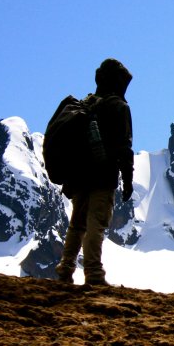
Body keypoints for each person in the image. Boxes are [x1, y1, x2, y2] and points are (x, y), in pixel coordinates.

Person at [55, 58, 134, 286]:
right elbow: (124, 148)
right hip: (102, 176)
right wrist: (127, 180)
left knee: (76, 224)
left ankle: (65, 268)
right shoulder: (119, 107)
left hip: (78, 176)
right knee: (95, 224)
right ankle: (93, 272)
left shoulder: (87, 104)